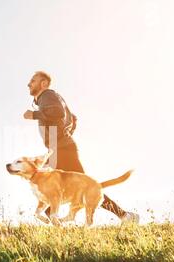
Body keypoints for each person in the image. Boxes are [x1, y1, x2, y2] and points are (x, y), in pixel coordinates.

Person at [23, 71, 139, 224]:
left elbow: (57, 113)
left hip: (61, 148)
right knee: (73, 186)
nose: (29, 84)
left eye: (33, 80)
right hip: (61, 147)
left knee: (59, 183)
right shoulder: (53, 98)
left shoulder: (47, 96)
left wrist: (35, 115)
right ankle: (125, 216)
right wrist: (65, 134)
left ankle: (125, 216)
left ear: (43, 83)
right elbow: (73, 118)